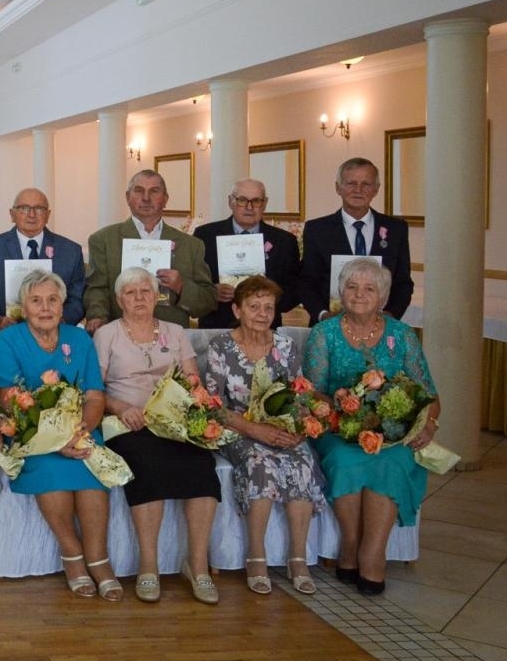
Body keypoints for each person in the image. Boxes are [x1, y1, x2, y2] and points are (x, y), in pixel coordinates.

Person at [303, 257, 439, 595]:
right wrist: (341, 406)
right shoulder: (324, 334)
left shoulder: (402, 335)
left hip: (393, 436)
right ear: (341, 292)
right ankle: (350, 545)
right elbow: (311, 391)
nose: (359, 294)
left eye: (369, 289)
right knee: (345, 461)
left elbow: (429, 394)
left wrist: (429, 424)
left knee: (390, 463)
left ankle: (373, 553)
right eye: (351, 287)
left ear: (383, 297)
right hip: (339, 429)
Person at [0, 270, 120, 602]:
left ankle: (99, 559)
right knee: (50, 471)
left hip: (79, 430)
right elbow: (9, 399)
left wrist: (81, 432)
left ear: (63, 306)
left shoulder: (78, 340)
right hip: (31, 435)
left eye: (52, 300)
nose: (45, 308)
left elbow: (94, 396)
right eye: (36, 301)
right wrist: (53, 440)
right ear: (23, 306)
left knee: (91, 471)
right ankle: (73, 555)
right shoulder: (8, 340)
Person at [94, 267, 221, 604]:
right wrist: (121, 407)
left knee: (201, 464)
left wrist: (188, 413)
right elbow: (95, 391)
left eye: (145, 292)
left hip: (173, 423)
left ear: (157, 296)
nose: (139, 298)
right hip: (128, 423)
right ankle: (148, 566)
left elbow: (194, 383)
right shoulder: (106, 335)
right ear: (120, 299)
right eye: (131, 293)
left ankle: (197, 565)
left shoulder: (176, 331)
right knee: (147, 464)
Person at [200, 276, 324, 596]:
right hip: (237, 429)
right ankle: (256, 556)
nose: (262, 313)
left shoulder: (285, 346)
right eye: (254, 306)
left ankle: (298, 558)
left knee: (303, 462)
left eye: (268, 307)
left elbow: (299, 394)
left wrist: (297, 428)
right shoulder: (222, 347)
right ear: (237, 309)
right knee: (261, 465)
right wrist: (255, 429)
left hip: (280, 429)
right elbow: (214, 407)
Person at [83, 169, 214, 333]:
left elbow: (207, 301)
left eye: (154, 191)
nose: (146, 198)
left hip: (173, 341)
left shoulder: (191, 245)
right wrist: (98, 316)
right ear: (127, 197)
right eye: (139, 191)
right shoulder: (103, 240)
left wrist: (182, 287)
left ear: (165, 199)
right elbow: (97, 289)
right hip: (120, 338)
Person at [299, 158, 413, 322]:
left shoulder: (396, 229)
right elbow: (307, 282)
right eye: (351, 183)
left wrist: (389, 316)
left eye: (366, 184)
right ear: (338, 188)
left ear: (376, 189)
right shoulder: (317, 229)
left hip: (380, 328)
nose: (358, 190)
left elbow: (403, 283)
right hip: (330, 327)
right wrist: (322, 314)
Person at [194, 179, 301, 329]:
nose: (249, 207)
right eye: (242, 200)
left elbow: (294, 291)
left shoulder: (285, 241)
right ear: (230, 201)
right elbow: (192, 283)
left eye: (256, 201)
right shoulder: (205, 236)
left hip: (265, 330)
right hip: (217, 326)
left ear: (265, 203)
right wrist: (211, 293)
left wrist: (266, 298)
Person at [0, 187, 85, 330]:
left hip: (56, 334)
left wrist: (60, 322)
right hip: (7, 335)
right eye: (24, 208)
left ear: (48, 215)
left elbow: (77, 300)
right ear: (12, 214)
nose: (32, 214)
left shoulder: (71, 252)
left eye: (39, 209)